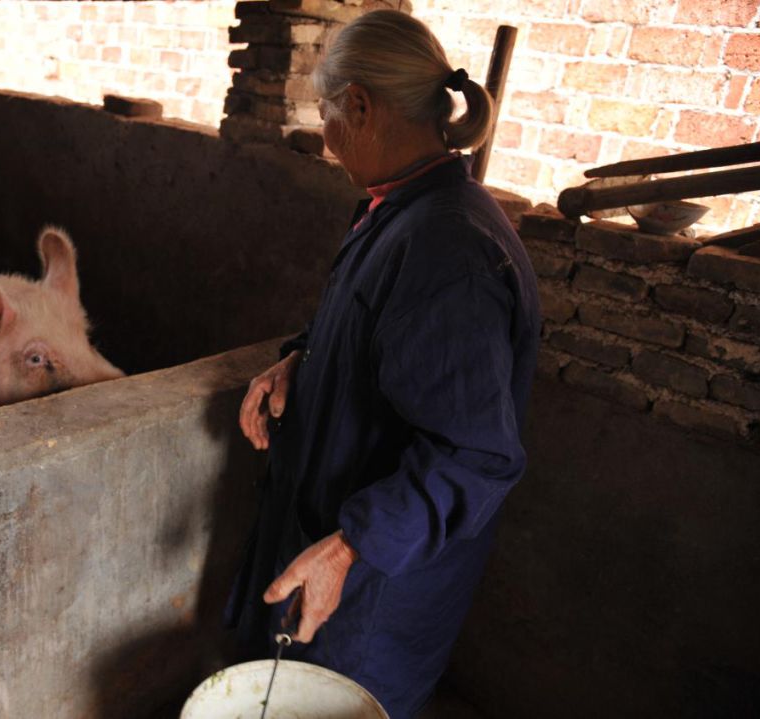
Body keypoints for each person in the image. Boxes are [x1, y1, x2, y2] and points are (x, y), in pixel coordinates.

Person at [224, 10, 542, 718]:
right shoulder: (399, 210)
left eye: (326, 113)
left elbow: (476, 454)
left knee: (341, 703)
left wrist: (348, 549)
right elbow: (371, 337)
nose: (328, 138)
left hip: (376, 584)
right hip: (339, 545)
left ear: (360, 106)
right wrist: (298, 361)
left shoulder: (448, 249)